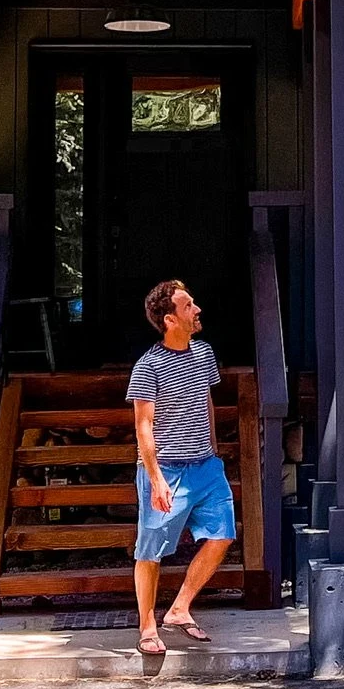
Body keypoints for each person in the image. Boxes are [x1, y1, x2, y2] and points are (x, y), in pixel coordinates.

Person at [127, 278, 236, 656]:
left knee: (223, 534)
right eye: (188, 306)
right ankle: (146, 627)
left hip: (206, 466)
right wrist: (156, 479)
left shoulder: (204, 354)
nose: (197, 309)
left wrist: (215, 451)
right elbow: (143, 426)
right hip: (166, 470)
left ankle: (179, 609)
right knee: (151, 550)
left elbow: (206, 401)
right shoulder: (148, 366)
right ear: (170, 319)